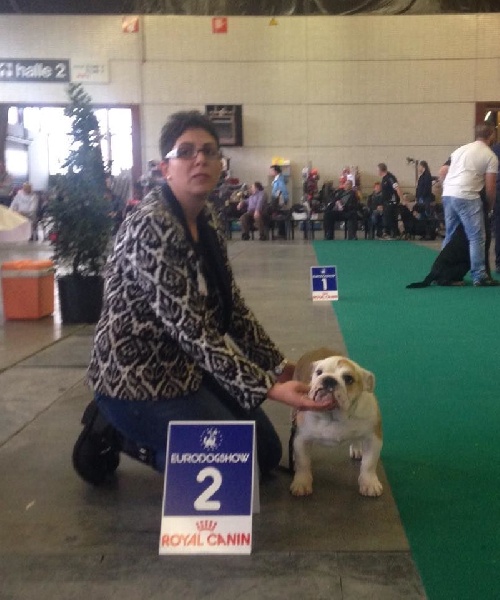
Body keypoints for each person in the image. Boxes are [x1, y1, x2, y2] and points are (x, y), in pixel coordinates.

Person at [76, 110, 334, 486]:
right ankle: (116, 430)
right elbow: (192, 330)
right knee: (237, 468)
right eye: (186, 152)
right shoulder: (152, 224)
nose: (200, 159)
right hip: (135, 381)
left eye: (209, 151)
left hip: (187, 370)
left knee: (265, 453)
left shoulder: (208, 217)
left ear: (220, 164)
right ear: (165, 169)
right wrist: (268, 387)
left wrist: (277, 365)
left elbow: (232, 307)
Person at [439, 122, 499, 287]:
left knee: (450, 235)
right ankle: (479, 275)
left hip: (448, 193)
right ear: (491, 135)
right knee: (477, 237)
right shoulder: (490, 155)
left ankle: (444, 273)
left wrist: (449, 187)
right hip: (468, 195)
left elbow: (442, 171)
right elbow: (491, 187)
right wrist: (489, 207)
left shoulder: (460, 150)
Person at [377, 163, 403, 239]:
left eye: (377, 170)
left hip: (391, 202)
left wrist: (402, 199)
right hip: (386, 202)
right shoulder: (384, 178)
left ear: (381, 170)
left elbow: (397, 188)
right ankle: (395, 234)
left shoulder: (390, 178)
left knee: (390, 218)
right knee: (388, 218)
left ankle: (392, 234)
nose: (377, 172)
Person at [270, 164, 289, 238]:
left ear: (276, 171)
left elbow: (283, 190)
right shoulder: (277, 178)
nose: (270, 172)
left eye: (271, 170)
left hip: (279, 200)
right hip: (276, 199)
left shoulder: (280, 179)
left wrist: (285, 200)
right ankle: (281, 232)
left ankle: (281, 233)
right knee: (279, 215)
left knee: (280, 216)